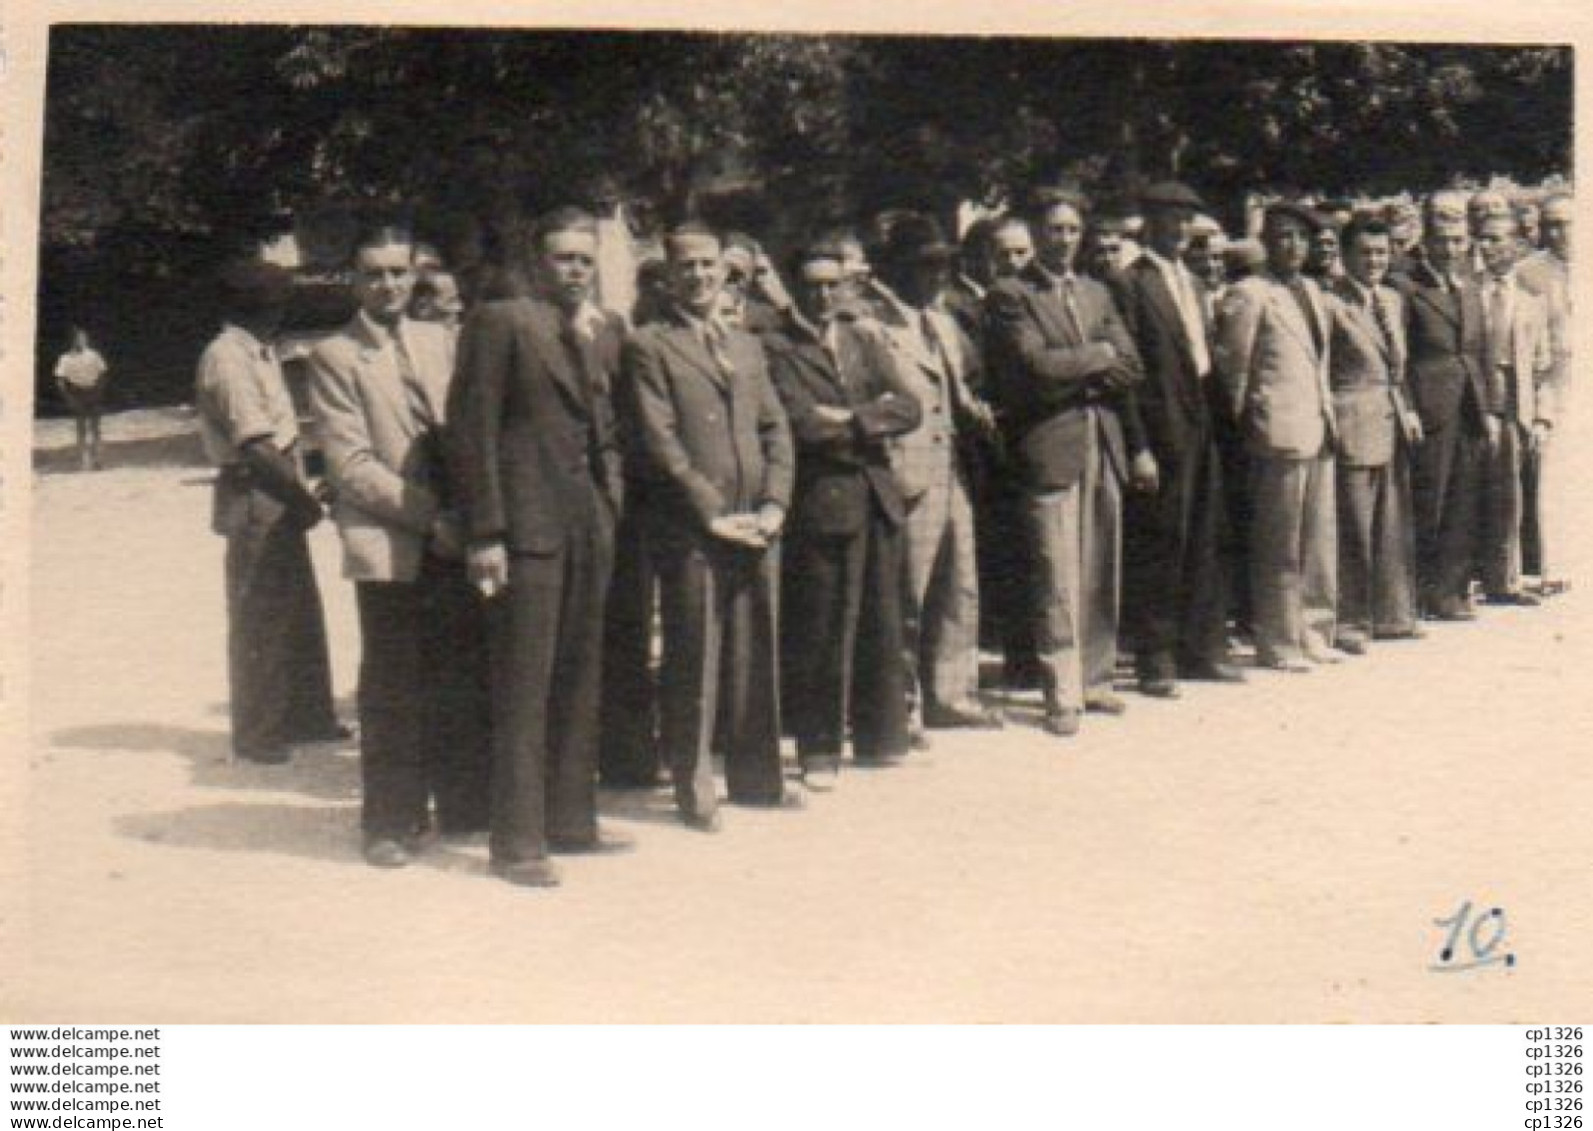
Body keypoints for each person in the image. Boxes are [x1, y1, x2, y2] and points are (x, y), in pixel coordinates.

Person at [446, 207, 630, 889]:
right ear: (537, 261)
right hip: (525, 529)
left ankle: (571, 820)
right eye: (562, 258)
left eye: (585, 259)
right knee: (524, 683)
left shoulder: (604, 328)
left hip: (588, 523)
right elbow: (473, 429)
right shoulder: (502, 321)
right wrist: (486, 532)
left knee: (581, 673)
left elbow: (607, 425)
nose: (575, 270)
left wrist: (611, 504)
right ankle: (518, 842)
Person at [306, 225, 491, 868]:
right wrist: (428, 517)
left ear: (415, 275)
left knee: (459, 670)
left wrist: (471, 515)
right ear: (353, 281)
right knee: (392, 683)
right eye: (373, 274)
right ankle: (390, 818)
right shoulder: (334, 356)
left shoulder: (443, 340)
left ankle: (466, 802)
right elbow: (350, 463)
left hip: (455, 533)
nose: (388, 286)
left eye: (397, 272)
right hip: (391, 538)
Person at [621, 224, 798, 829]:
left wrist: (774, 503)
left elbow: (775, 429)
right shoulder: (649, 344)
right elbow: (659, 441)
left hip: (756, 523)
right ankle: (694, 788)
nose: (698, 276)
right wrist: (712, 512)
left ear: (726, 271)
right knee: (695, 653)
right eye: (685, 266)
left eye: (707, 265)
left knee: (757, 650)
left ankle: (757, 778)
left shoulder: (747, 344)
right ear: (668, 276)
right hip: (696, 527)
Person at [986, 190, 1146, 735]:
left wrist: (1091, 362)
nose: (1065, 239)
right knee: (1055, 570)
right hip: (1049, 441)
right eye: (1055, 229)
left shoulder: (1097, 291)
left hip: (1102, 436)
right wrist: (1097, 357)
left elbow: (1132, 362)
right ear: (1036, 233)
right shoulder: (1012, 295)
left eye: (1074, 229)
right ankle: (1062, 691)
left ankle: (1096, 679)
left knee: (1101, 564)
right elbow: (1033, 367)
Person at [765, 240, 922, 788]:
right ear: (796, 286)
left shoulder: (861, 338)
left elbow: (910, 406)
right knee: (823, 627)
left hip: (876, 495)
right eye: (812, 284)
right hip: (823, 500)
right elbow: (800, 423)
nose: (824, 293)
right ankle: (818, 750)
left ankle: (882, 737)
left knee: (881, 620)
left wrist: (850, 419)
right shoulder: (776, 346)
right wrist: (869, 419)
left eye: (834, 284)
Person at [194, 257, 345, 764]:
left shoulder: (258, 352)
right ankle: (258, 731)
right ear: (255, 305)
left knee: (297, 605)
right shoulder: (228, 357)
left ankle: (307, 716)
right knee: (259, 611)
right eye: (277, 299)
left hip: (277, 483)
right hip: (256, 487)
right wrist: (303, 501)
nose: (282, 308)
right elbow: (255, 445)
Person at [868, 213, 1004, 738]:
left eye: (944, 266)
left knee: (959, 584)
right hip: (910, 472)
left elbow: (958, 383)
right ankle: (900, 705)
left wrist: (973, 407)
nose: (938, 276)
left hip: (953, 467)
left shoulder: (942, 322)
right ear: (900, 269)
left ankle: (951, 693)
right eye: (927, 266)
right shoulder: (876, 328)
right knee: (908, 592)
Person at [1110, 182, 1241, 699]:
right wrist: (1139, 443)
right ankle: (1155, 656)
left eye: (1188, 221)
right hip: (1162, 426)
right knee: (1160, 540)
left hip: (1202, 420)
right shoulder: (1130, 283)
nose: (1181, 229)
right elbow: (1130, 371)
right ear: (1149, 221)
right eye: (1171, 219)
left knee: (1205, 536)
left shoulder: (1192, 280)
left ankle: (1201, 648)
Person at [1213, 202, 1339, 672]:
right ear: (1267, 242)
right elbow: (1233, 368)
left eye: (1301, 238)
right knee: (1279, 542)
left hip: (1319, 426)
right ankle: (1279, 640)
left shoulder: (1310, 289)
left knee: (1317, 539)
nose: (1294, 246)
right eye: (1283, 236)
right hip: (1277, 430)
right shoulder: (1250, 293)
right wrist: (1247, 423)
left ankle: (1314, 628)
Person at [1396, 194, 1502, 621]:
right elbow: (1397, 356)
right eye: (1442, 239)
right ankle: (1417, 590)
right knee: (1428, 500)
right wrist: (1407, 405)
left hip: (1470, 407)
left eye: (1458, 240)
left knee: (1463, 500)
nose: (1451, 249)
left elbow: (1483, 352)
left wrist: (1492, 409)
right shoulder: (1407, 285)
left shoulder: (1472, 288)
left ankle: (1451, 591)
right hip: (1430, 405)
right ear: (1426, 236)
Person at [1324, 218, 1424, 649]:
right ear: (1345, 257)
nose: (1374, 261)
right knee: (1353, 526)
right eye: (1365, 253)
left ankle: (1393, 614)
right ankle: (1350, 620)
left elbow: (1396, 369)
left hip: (1391, 418)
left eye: (1381, 252)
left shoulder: (1392, 299)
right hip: (1351, 420)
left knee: (1391, 524)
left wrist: (1408, 408)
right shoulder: (1331, 304)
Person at [1473, 211, 1555, 607]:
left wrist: (1542, 416)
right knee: (1468, 490)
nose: (1486, 248)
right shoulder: (1468, 292)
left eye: (1495, 239)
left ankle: (1505, 579)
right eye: (1482, 239)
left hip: (1514, 403)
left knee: (1510, 491)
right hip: (1472, 402)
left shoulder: (1531, 301)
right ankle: (1462, 579)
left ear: (1516, 246)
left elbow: (1543, 367)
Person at [1514, 193, 1572, 597]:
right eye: (1549, 223)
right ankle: (1557, 565)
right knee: (1554, 474)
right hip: (1556, 380)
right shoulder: (1529, 271)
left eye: (1565, 223)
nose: (1558, 232)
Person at [54, 327, 110, 471]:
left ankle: (98, 460)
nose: (81, 341)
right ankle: (83, 461)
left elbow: (103, 373)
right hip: (77, 393)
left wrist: (99, 391)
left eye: (83, 338)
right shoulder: (65, 358)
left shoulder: (94, 355)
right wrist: (68, 398)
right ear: (72, 341)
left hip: (93, 392)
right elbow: (60, 379)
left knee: (96, 428)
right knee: (81, 428)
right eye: (78, 339)